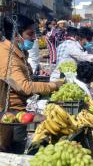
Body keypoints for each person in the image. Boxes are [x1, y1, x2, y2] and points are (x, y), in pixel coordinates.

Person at [0, 15, 62, 153]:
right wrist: (53, 86)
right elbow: (24, 86)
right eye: (30, 33)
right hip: (10, 115)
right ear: (16, 35)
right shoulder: (6, 56)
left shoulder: (17, 52)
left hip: (18, 112)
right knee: (12, 154)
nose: (34, 38)